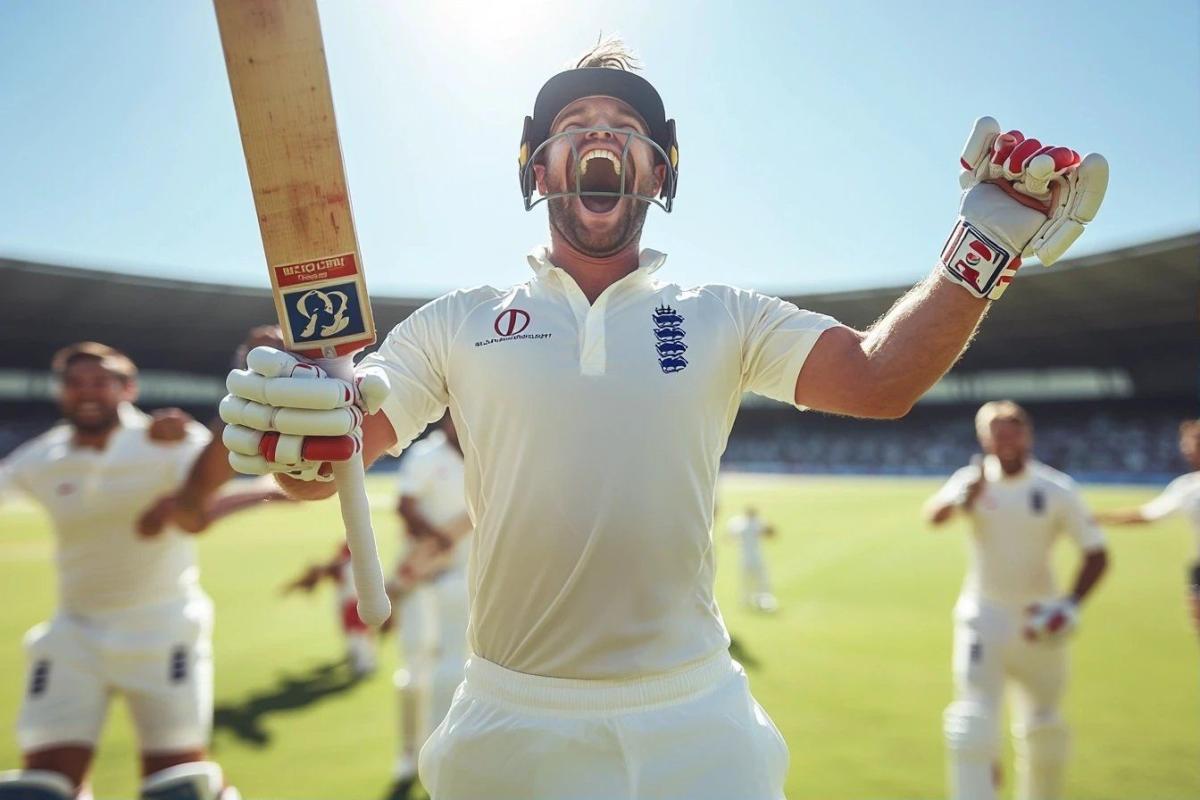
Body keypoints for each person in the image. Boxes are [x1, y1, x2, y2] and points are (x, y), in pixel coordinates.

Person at [217, 38, 1108, 800]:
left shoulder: (724, 312)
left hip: (698, 718)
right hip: (508, 715)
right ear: (538, 168)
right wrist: (296, 436)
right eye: (574, 127)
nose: (600, 133)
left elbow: (878, 382)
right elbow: (334, 453)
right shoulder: (460, 318)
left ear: (658, 170)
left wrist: (981, 249)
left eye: (624, 128)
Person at [0, 343, 240, 800]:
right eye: (74, 382)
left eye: (101, 381)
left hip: (161, 628)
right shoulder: (42, 457)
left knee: (178, 786)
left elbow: (201, 502)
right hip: (74, 631)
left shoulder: (167, 438)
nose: (86, 391)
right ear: (61, 392)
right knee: (41, 788)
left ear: (127, 388)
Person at [923, 401, 1109, 800]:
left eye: (1013, 429)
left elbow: (1096, 553)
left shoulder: (1056, 488)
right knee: (972, 728)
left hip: (1039, 625)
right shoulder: (970, 481)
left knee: (1044, 730)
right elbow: (933, 517)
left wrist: (1069, 605)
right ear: (983, 438)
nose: (1006, 438)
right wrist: (962, 500)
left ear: (1028, 435)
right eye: (996, 430)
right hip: (982, 619)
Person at [387, 415, 472, 800]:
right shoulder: (426, 455)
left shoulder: (486, 451)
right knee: (416, 670)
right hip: (427, 577)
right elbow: (405, 506)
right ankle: (409, 753)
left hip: (471, 579)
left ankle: (443, 756)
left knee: (458, 667)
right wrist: (435, 539)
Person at [1096, 419, 1200, 633]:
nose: (1187, 449)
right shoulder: (1187, 487)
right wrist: (1100, 518)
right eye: (1186, 443)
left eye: (1194, 442)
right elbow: (1147, 515)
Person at [282, 540, 378, 678]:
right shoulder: (363, 562)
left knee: (358, 635)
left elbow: (322, 571)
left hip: (352, 603)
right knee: (359, 634)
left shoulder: (345, 565)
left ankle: (364, 665)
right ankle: (362, 661)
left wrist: (295, 585)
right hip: (357, 602)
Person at [726, 506, 778, 612]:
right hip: (755, 557)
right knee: (760, 580)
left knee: (748, 581)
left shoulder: (739, 523)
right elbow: (771, 534)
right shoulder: (757, 523)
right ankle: (762, 601)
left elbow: (729, 537)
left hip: (745, 557)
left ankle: (748, 601)